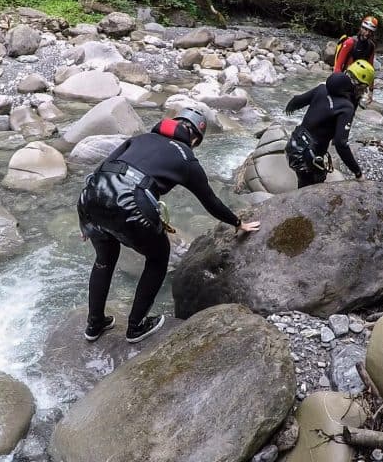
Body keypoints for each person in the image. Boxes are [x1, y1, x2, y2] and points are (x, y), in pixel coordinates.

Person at [77, 107, 260, 343]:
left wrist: (85, 220)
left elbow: (100, 171)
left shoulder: (140, 139)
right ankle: (136, 326)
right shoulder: (185, 156)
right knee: (159, 257)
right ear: (194, 138)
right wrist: (238, 223)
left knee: (104, 258)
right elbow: (210, 201)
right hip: (129, 201)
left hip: (92, 196)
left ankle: (95, 325)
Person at [284, 59, 375, 188]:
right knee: (312, 189)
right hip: (309, 157)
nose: (364, 92)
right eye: (364, 88)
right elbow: (340, 144)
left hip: (294, 146)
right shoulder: (346, 108)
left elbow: (295, 101)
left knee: (305, 184)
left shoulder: (322, 88)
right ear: (358, 85)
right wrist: (358, 173)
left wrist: (288, 109)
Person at [334, 15, 378, 101]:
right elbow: (338, 66)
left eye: (370, 31)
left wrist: (371, 90)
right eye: (365, 29)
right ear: (361, 28)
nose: (367, 33)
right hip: (344, 79)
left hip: (359, 84)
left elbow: (371, 69)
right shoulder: (350, 42)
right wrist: (336, 83)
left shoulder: (371, 47)